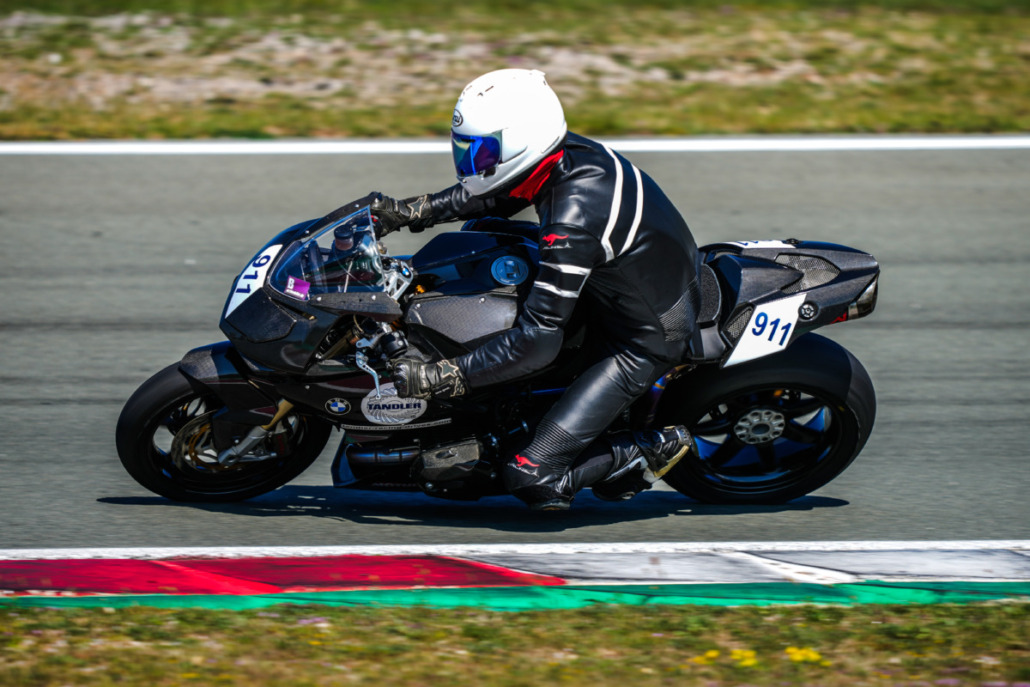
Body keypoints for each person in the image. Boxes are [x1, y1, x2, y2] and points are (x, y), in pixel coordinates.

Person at [364, 69, 701, 510]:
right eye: (465, 149)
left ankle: (646, 449)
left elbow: (538, 341)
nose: (471, 162)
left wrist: (442, 377)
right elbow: (497, 192)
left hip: (640, 340)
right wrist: (413, 211)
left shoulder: (573, 220)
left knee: (532, 476)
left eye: (482, 151)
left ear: (522, 141)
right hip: (622, 285)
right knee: (480, 235)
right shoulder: (565, 155)